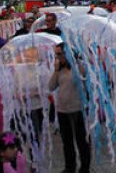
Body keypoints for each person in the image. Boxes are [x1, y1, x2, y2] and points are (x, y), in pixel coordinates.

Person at [49, 43, 91, 173]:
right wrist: (56, 70)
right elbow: (51, 87)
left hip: (77, 110)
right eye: (56, 54)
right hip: (62, 110)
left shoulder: (79, 67)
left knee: (81, 141)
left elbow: (87, 83)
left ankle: (84, 168)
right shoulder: (59, 69)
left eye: (59, 54)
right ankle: (70, 167)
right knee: (67, 142)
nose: (57, 57)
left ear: (67, 53)